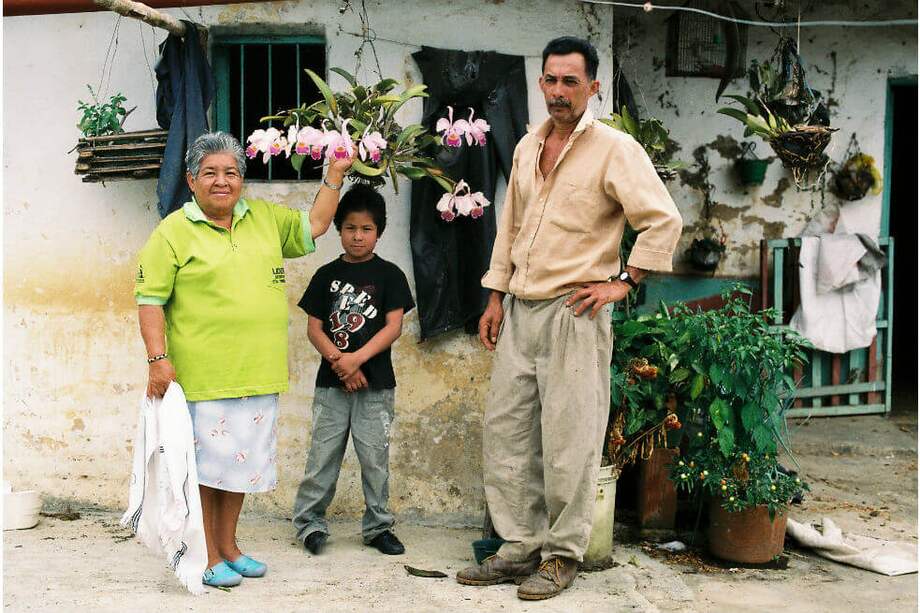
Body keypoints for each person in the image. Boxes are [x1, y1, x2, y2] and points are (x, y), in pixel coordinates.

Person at [456, 37, 683, 600]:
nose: (559, 92)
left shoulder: (615, 149)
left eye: (571, 82)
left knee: (569, 440)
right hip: (520, 310)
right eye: (551, 81)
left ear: (593, 87)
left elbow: (662, 221)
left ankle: (562, 556)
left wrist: (623, 283)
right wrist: (495, 296)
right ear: (541, 83)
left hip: (574, 313)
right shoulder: (529, 146)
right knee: (507, 434)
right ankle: (518, 547)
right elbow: (509, 226)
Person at [135, 131, 352, 588]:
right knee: (203, 473)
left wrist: (334, 174)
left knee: (236, 469)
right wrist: (158, 358)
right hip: (201, 377)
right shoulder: (173, 231)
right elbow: (150, 299)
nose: (222, 181)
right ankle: (206, 554)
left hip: (256, 372)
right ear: (191, 180)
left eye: (231, 172)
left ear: (242, 181)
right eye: (210, 172)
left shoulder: (265, 220)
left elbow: (314, 225)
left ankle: (229, 546)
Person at [291, 184, 415, 557]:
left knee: (375, 459)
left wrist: (356, 360)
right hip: (332, 386)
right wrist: (341, 365)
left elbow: (394, 327)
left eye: (366, 229)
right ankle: (310, 523)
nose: (357, 236)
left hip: (376, 387)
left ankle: (378, 527)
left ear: (379, 231)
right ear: (337, 229)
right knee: (322, 456)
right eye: (349, 228)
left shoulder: (390, 275)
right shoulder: (325, 276)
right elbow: (315, 328)